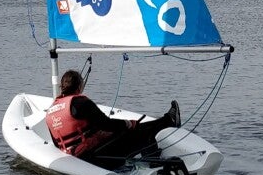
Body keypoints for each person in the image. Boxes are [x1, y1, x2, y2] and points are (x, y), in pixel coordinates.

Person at [45, 69, 180, 162]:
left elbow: (57, 144)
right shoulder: (80, 103)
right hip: (94, 156)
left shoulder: (50, 111)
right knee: (136, 129)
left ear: (62, 87)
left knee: (125, 130)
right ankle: (169, 120)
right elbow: (107, 124)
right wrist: (128, 123)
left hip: (74, 157)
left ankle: (154, 148)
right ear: (79, 86)